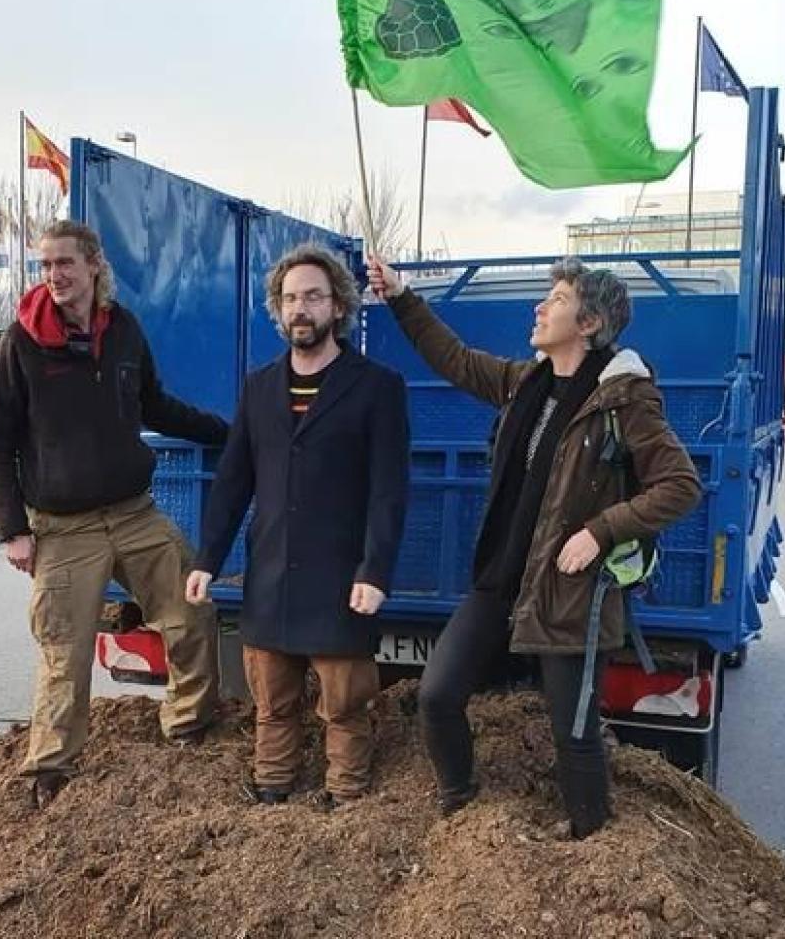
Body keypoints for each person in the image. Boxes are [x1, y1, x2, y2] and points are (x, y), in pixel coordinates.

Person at [367, 254, 701, 838]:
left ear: (590, 323)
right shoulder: (527, 383)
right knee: (438, 695)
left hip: (566, 593)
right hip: (500, 579)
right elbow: (454, 359)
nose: (541, 306)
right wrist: (400, 295)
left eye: (558, 299)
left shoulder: (625, 400)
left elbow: (679, 487)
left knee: (573, 733)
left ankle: (590, 837)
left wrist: (600, 531)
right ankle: (460, 803)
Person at [0, 219, 229, 809]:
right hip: (63, 528)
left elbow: (155, 404)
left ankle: (188, 725)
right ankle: (51, 767)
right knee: (64, 649)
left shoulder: (122, 331)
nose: (55, 275)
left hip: (134, 513)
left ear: (94, 265)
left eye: (65, 262)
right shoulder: (21, 343)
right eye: (45, 266)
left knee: (191, 609)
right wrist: (13, 530)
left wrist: (228, 432)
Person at [186, 244, 409, 807]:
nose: (300, 309)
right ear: (277, 311)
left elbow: (389, 491)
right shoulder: (260, 387)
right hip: (271, 577)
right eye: (289, 299)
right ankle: (272, 786)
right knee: (272, 701)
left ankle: (346, 793)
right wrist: (207, 559)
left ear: (338, 307)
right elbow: (234, 481)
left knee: (344, 704)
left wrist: (374, 569)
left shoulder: (377, 386)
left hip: (340, 579)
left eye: (312, 296)